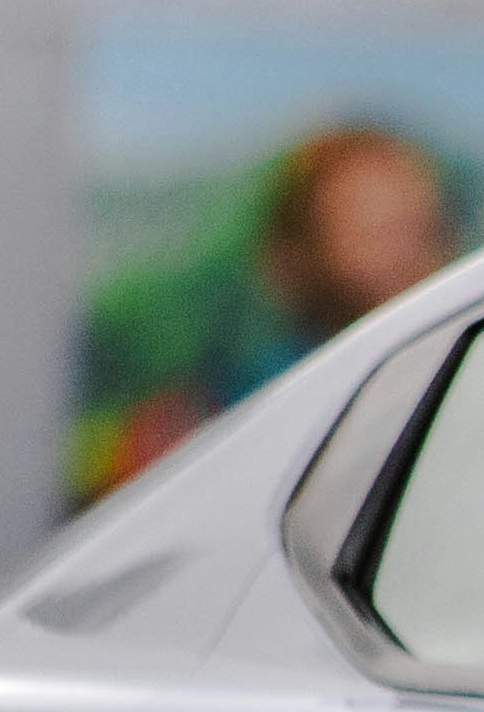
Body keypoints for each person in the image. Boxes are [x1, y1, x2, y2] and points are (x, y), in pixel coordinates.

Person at [68, 123, 459, 497]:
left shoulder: (453, 397)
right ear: (292, 256)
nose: (405, 259)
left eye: (419, 230)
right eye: (375, 233)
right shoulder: (204, 420)